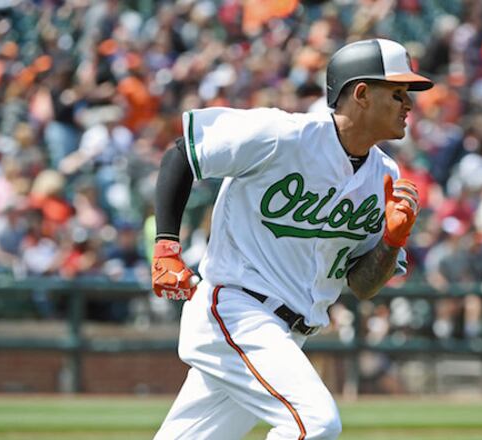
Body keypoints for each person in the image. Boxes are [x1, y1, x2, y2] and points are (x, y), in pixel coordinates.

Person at [151, 39, 432, 440]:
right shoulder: (283, 135)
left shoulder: (383, 174)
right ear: (362, 94)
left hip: (287, 334)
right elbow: (183, 153)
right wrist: (166, 245)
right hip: (236, 309)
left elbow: (362, 285)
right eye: (399, 93)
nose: (409, 105)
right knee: (315, 423)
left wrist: (392, 240)